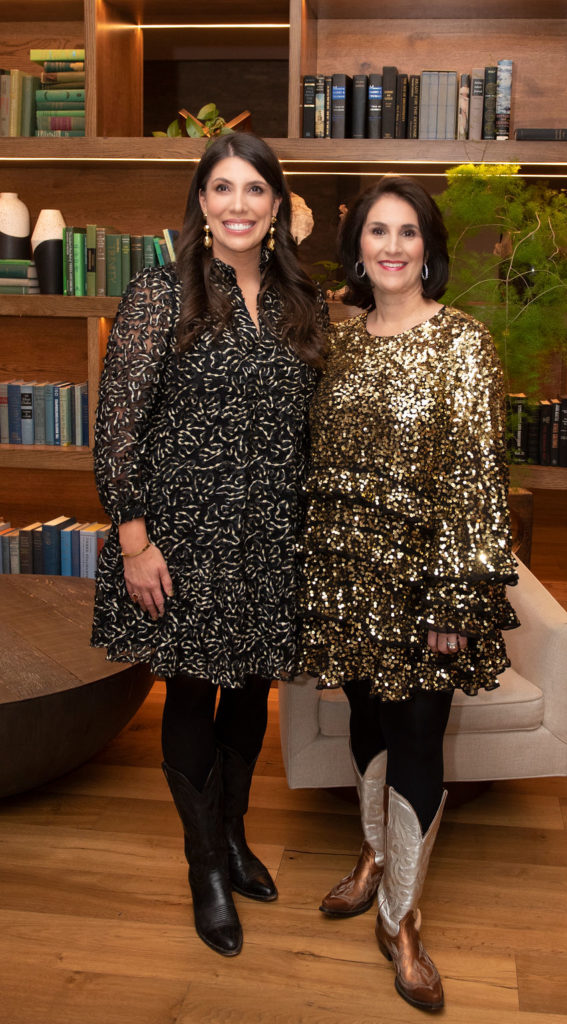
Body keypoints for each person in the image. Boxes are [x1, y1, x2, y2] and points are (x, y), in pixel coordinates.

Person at [91, 133, 328, 958]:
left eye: (254, 189)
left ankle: (232, 835)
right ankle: (205, 869)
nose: (238, 205)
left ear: (276, 205)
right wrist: (133, 542)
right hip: (183, 538)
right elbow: (118, 426)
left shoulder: (306, 298)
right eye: (222, 188)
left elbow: (310, 423)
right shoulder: (161, 291)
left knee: (251, 692)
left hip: (272, 533)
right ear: (201, 201)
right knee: (192, 696)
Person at [298, 177, 519, 1011]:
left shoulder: (465, 342)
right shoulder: (337, 339)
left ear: (428, 247)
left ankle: (401, 919)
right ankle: (371, 856)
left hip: (422, 582)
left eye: (408, 232)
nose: (392, 246)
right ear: (358, 247)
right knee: (365, 719)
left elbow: (476, 481)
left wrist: (454, 604)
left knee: (418, 737)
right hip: (343, 573)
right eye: (377, 232)